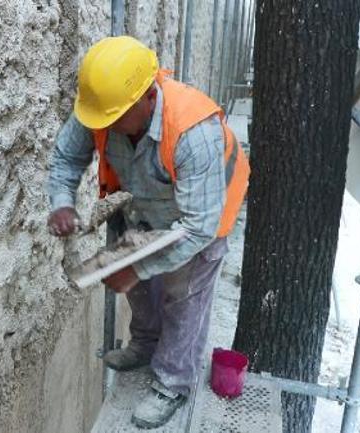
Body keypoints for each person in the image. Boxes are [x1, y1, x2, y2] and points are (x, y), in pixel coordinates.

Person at [46, 36, 249, 428]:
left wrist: (137, 267)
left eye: (115, 119)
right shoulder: (102, 109)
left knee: (181, 294)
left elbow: (197, 228)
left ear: (148, 98)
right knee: (135, 285)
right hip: (146, 203)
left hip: (201, 216)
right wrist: (61, 201)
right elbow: (67, 156)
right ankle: (144, 343)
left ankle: (173, 380)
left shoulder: (194, 132)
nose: (103, 128)